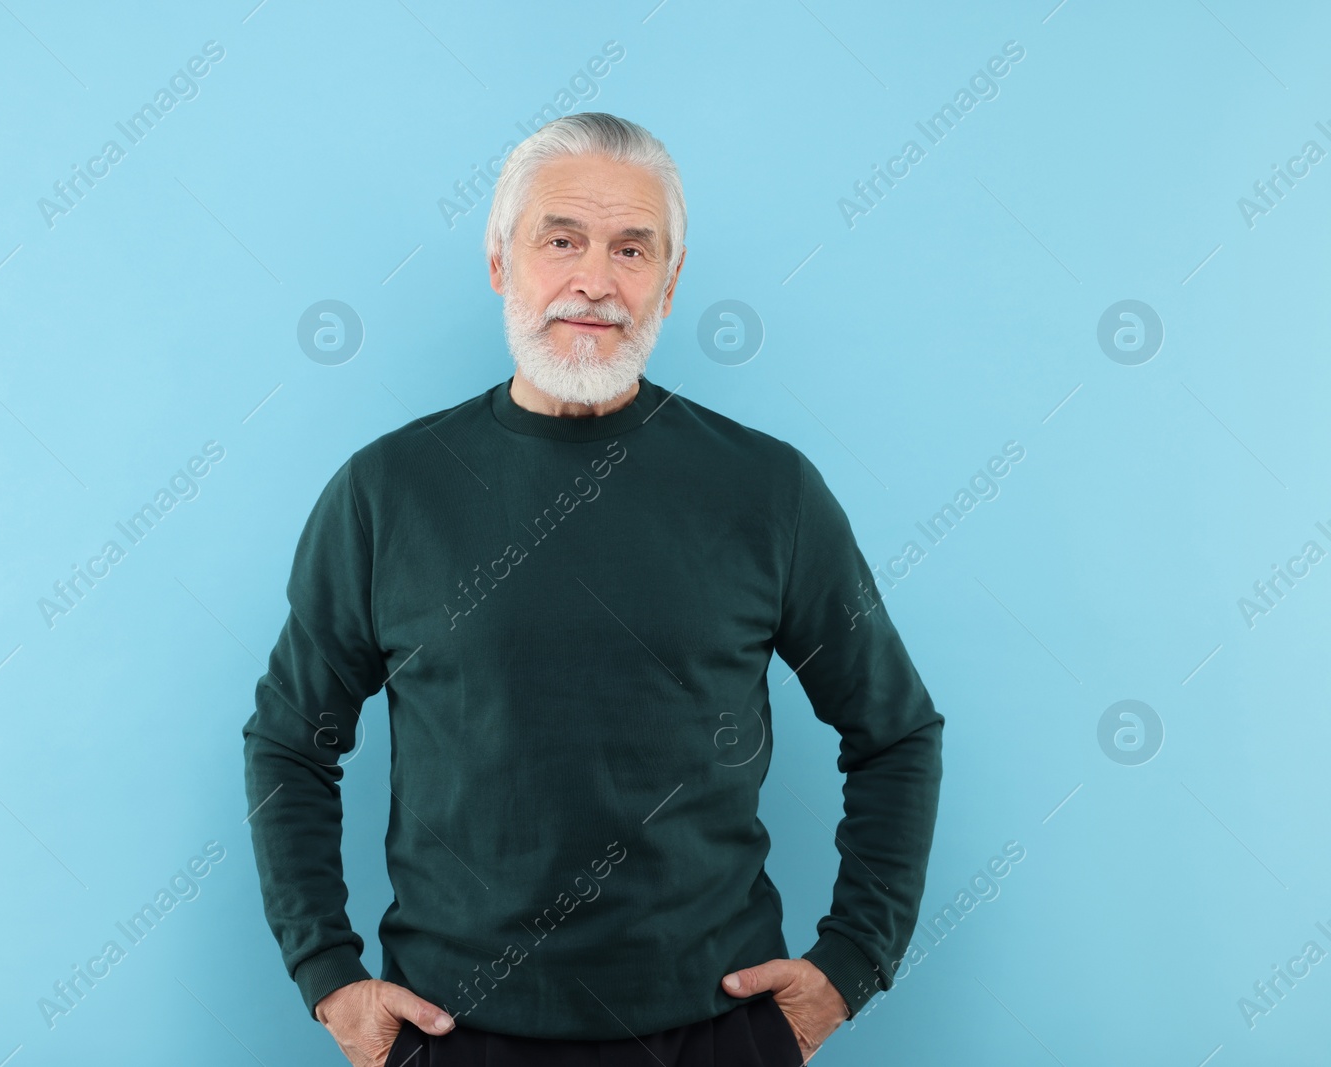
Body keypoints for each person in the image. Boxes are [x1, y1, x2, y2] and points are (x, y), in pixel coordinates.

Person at [241, 111, 944, 1067]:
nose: (594, 280)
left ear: (671, 278)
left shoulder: (767, 490)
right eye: (560, 239)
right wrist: (327, 973)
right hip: (453, 1038)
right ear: (499, 262)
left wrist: (851, 964)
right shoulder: (388, 491)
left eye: (631, 248)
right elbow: (291, 742)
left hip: (715, 1033)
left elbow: (896, 732)